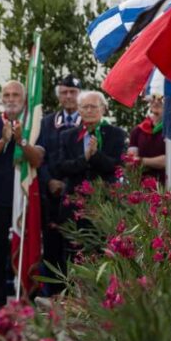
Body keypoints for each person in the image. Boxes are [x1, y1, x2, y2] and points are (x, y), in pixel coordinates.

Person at [0, 81, 43, 312]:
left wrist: (20, 140)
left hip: (25, 198)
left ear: (24, 99)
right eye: (7, 94)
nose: (11, 98)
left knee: (27, 249)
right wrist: (4, 140)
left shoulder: (34, 124)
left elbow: (37, 160)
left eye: (16, 94)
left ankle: (24, 302)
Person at [54, 91, 126, 261]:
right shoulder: (68, 136)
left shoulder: (116, 134)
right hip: (74, 207)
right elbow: (61, 167)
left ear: (103, 109)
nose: (89, 110)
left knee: (102, 254)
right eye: (84, 107)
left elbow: (115, 166)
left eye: (93, 106)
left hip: (103, 206)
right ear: (79, 110)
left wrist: (96, 155)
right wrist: (84, 158)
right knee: (73, 256)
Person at [35, 74, 82, 297]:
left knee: (77, 248)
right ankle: (54, 296)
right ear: (59, 95)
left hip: (79, 195)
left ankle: (76, 297)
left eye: (73, 92)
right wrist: (49, 181)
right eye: (64, 92)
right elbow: (39, 158)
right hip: (52, 197)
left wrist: (67, 183)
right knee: (53, 248)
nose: (69, 96)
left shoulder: (89, 121)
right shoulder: (46, 123)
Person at [128, 95, 166, 184]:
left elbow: (168, 161)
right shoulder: (138, 130)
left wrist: (141, 160)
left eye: (161, 98)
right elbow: (130, 162)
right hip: (143, 188)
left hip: (170, 187)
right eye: (153, 97)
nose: (156, 101)